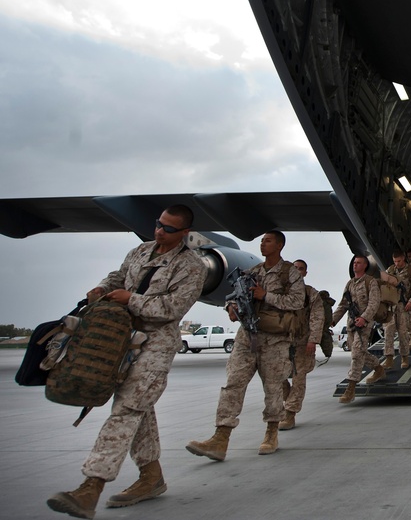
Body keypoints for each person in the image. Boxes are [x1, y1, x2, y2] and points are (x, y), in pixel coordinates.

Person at [47, 205, 207, 518]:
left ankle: (91, 487)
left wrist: (130, 299)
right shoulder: (140, 251)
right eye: (158, 224)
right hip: (121, 341)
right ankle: (151, 477)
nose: (160, 231)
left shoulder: (192, 267)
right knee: (137, 408)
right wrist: (104, 288)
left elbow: (173, 308)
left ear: (185, 234)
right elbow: (118, 277)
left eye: (169, 229)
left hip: (155, 346)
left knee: (126, 410)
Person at [186, 230, 305, 461]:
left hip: (275, 339)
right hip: (247, 336)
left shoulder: (289, 273)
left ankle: (271, 433)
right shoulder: (252, 272)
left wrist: (265, 296)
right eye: (261, 241)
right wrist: (230, 306)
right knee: (233, 384)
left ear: (279, 245)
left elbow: (297, 301)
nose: (262, 244)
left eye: (268, 241)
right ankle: (220, 438)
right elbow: (232, 294)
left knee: (273, 388)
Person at [279, 259, 326, 430]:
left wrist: (313, 340)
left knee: (299, 380)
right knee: (278, 378)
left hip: (302, 343)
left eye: (301, 269)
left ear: (305, 273)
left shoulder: (310, 294)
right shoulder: (281, 292)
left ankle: (290, 414)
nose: (298, 271)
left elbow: (317, 317)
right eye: (295, 268)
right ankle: (287, 402)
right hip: (282, 343)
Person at [331, 255, 386, 403]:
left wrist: (365, 318)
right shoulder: (350, 284)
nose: (355, 265)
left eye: (358, 263)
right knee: (359, 352)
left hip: (364, 325)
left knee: (356, 353)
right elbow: (343, 304)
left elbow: (374, 303)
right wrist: (333, 320)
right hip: (351, 324)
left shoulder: (370, 282)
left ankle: (351, 388)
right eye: (354, 263)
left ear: (365, 265)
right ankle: (378, 368)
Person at [383, 249, 411, 369]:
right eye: (395, 261)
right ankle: (389, 359)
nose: (397, 264)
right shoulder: (390, 270)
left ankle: (404, 358)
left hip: (404, 306)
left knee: (403, 333)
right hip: (391, 305)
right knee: (388, 331)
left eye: (399, 261)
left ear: (403, 258)